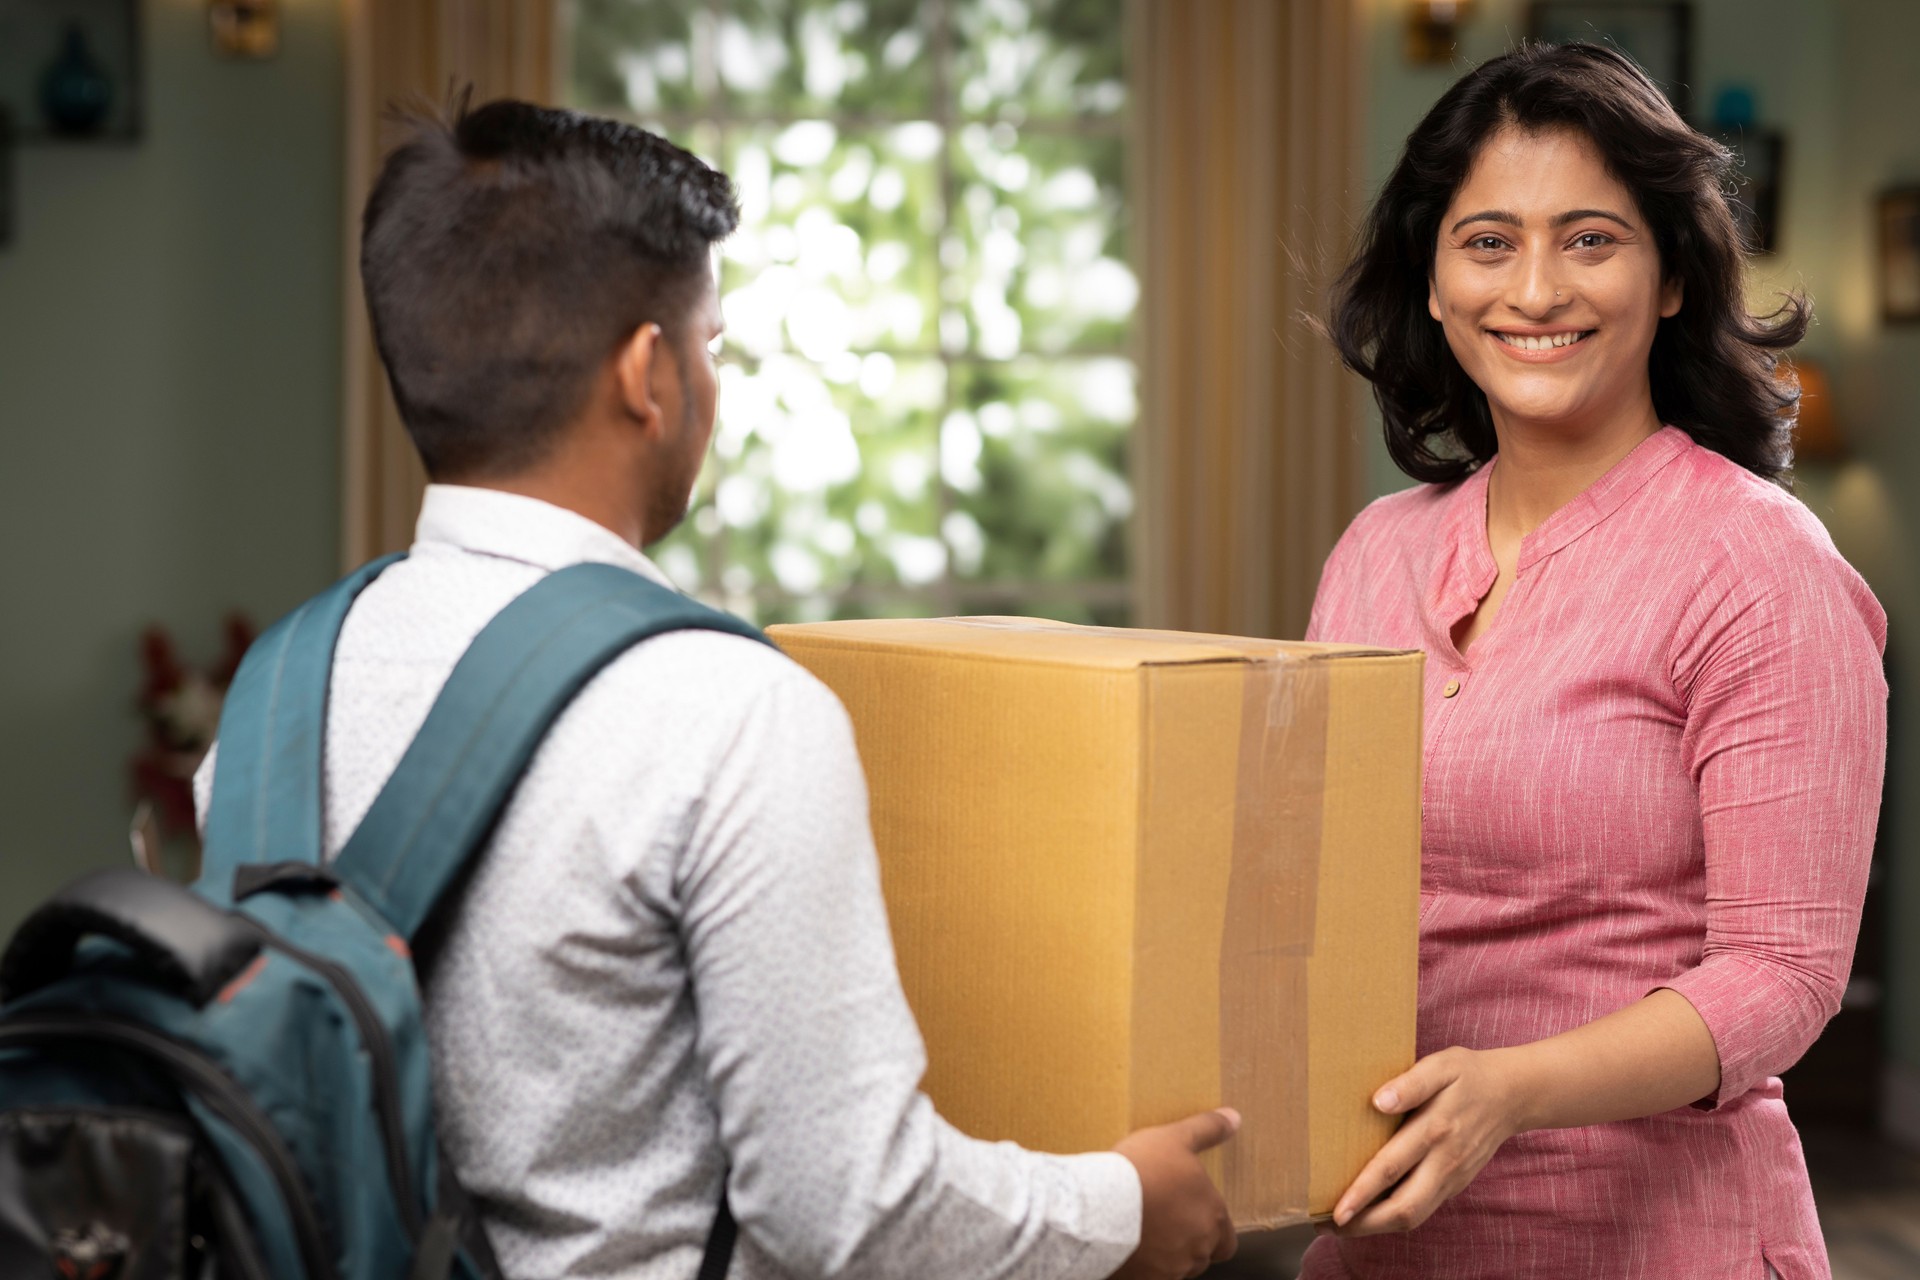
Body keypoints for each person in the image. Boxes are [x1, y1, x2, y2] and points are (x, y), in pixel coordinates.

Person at [195, 97, 1239, 1280]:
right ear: (648, 372)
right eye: (713, 344)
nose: (711, 379)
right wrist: (1122, 1206)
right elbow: (850, 1207)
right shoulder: (723, 706)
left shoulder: (274, 695)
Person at [1301, 42, 1886, 1280]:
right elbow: (1317, 895)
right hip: (1384, 1234)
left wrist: (1511, 1089)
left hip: (1661, 1240)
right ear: (1436, 280)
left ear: (1672, 275)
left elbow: (1784, 975)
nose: (1535, 288)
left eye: (1590, 239)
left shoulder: (1758, 563)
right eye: (1488, 241)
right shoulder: (1373, 554)